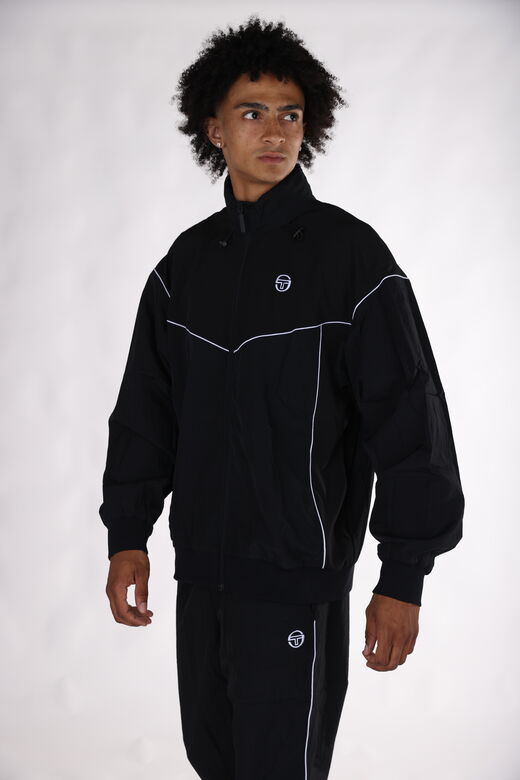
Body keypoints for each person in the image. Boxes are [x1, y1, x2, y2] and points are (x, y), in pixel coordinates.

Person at [99, 14, 464, 780]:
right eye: (252, 112)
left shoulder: (351, 257)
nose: (274, 131)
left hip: (296, 588)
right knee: (213, 760)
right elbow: (145, 415)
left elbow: (411, 421)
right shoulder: (185, 266)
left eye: (290, 114)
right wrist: (127, 535)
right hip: (202, 580)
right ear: (215, 129)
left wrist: (403, 577)